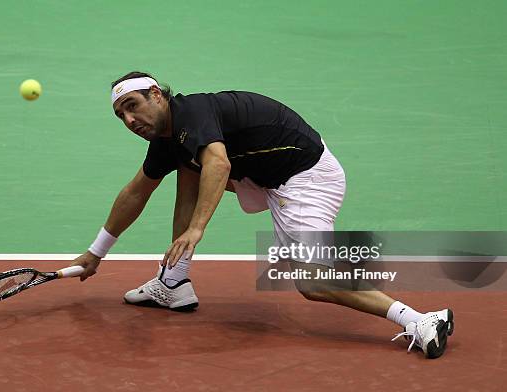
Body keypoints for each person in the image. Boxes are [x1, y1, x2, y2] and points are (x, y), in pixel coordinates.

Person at [70, 71, 454, 358]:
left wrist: (197, 229)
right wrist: (95, 253)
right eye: (121, 116)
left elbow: (219, 165)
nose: (129, 121)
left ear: (156, 94)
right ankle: (173, 283)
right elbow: (136, 192)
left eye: (133, 106)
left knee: (312, 282)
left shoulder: (193, 113)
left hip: (304, 177)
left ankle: (420, 320)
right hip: (265, 175)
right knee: (187, 168)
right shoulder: (169, 138)